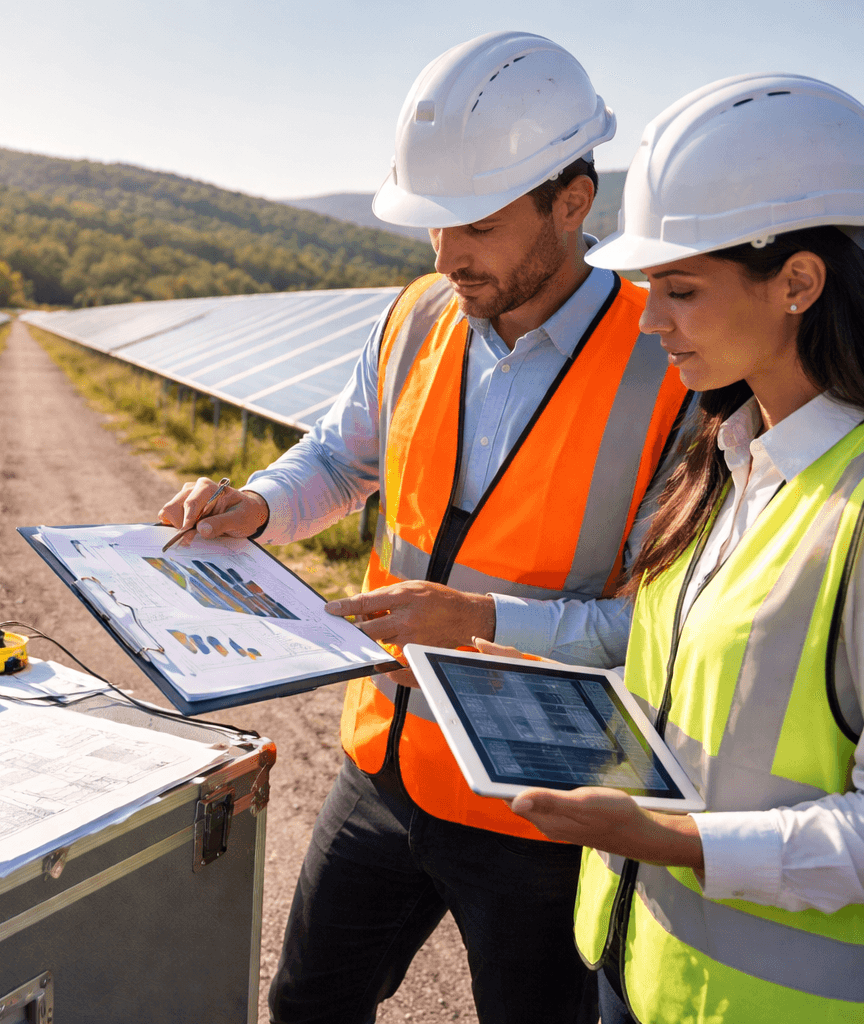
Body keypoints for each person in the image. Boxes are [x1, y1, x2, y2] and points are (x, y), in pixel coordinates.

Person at [159, 32, 689, 1024]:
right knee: (308, 1002)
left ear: (573, 202)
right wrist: (263, 504)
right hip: (388, 763)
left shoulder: (671, 361)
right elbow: (339, 456)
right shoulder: (415, 314)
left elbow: (664, 627)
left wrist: (482, 621)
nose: (447, 256)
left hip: (549, 804)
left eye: (475, 225)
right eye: (431, 228)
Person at [496, 73, 864, 1024]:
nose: (651, 323)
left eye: (682, 291)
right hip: (639, 969)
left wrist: (678, 841)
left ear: (799, 283)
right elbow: (685, 672)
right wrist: (505, 663)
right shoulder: (729, 460)